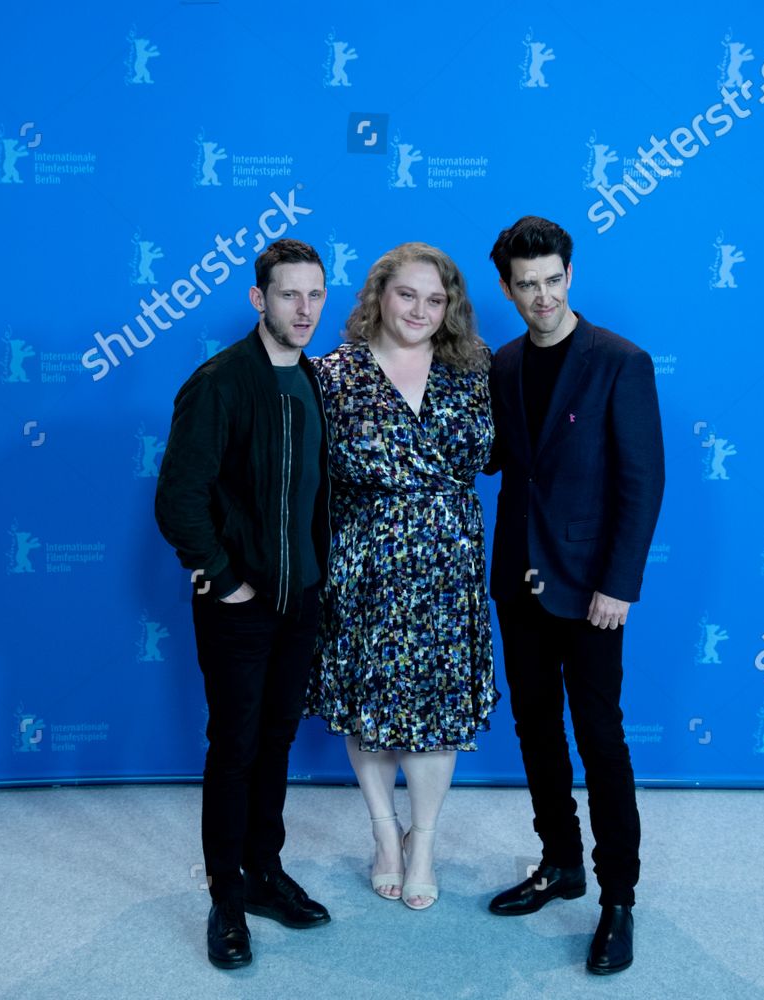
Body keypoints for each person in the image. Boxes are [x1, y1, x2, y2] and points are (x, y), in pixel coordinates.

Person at [482, 216, 664, 976]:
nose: (543, 296)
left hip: (592, 591)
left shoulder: (621, 361)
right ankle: (560, 862)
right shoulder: (503, 363)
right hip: (520, 580)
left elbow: (642, 481)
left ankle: (617, 897)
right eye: (528, 285)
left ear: (570, 275)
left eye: (554, 280)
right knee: (535, 730)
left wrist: (618, 586)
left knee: (599, 737)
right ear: (508, 288)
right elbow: (499, 460)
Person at [154, 238, 333, 970]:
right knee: (235, 749)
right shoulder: (221, 381)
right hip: (239, 605)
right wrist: (224, 577)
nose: (305, 310)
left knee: (278, 740)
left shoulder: (316, 380)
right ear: (259, 298)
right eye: (290, 295)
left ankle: (266, 872)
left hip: (302, 602)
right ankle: (226, 898)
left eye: (316, 295)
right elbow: (177, 500)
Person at [306, 242, 498, 911]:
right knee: (372, 710)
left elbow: (509, 456)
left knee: (436, 716)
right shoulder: (333, 373)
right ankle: (385, 834)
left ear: (451, 309)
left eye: (436, 299)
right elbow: (306, 477)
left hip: (448, 568)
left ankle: (425, 842)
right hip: (367, 566)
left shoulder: (475, 370)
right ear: (379, 296)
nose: (420, 310)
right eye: (407, 294)